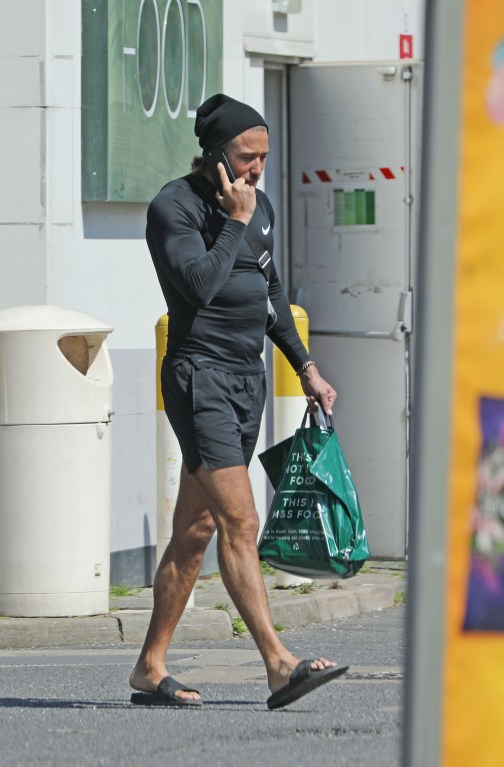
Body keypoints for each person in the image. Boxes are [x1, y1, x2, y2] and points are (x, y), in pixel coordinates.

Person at [129, 94, 348, 710]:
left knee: (195, 529)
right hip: (199, 378)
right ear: (216, 154)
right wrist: (232, 220)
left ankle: (150, 666)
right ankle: (278, 664)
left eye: (263, 158)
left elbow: (270, 291)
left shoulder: (262, 207)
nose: (257, 169)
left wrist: (303, 364)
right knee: (240, 522)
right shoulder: (172, 207)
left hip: (246, 379)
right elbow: (197, 284)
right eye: (247, 158)